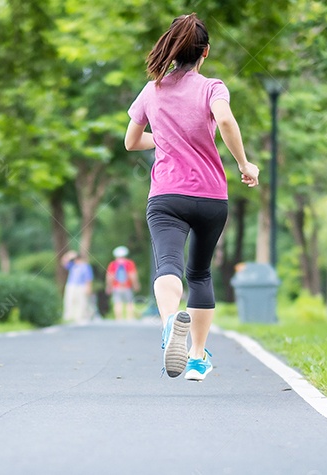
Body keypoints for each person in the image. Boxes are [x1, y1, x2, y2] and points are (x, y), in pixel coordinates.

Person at [124, 13, 259, 381]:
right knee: (200, 273)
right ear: (205, 53)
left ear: (172, 50)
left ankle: (170, 325)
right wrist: (246, 165)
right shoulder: (212, 87)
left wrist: (165, 139)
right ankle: (198, 359)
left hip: (167, 196)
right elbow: (227, 122)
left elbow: (131, 141)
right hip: (212, 197)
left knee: (168, 264)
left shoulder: (153, 90)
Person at [106, 246, 141, 321]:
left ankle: (119, 319)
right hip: (127, 286)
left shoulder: (113, 264)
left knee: (117, 303)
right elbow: (132, 275)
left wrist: (109, 286)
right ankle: (129, 318)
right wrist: (136, 284)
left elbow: (109, 277)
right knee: (130, 303)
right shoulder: (129, 263)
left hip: (116, 287)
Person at [61, 251, 94, 324]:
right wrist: (68, 255)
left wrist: (88, 288)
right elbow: (63, 262)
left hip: (81, 286)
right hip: (71, 285)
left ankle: (81, 316)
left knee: (82, 301)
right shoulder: (73, 266)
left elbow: (88, 278)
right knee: (70, 300)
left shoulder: (85, 266)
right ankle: (69, 316)